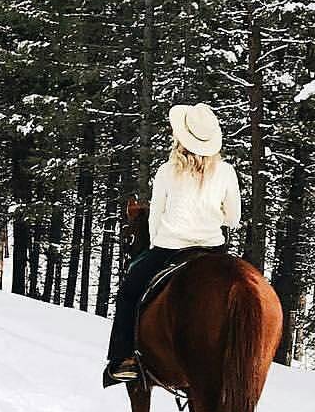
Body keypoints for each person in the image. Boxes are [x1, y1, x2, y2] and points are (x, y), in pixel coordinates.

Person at [102, 102, 241, 385]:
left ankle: (123, 359)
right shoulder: (226, 172)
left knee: (130, 292)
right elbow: (234, 218)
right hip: (212, 249)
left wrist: (155, 245)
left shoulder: (167, 171)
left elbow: (156, 216)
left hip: (169, 248)